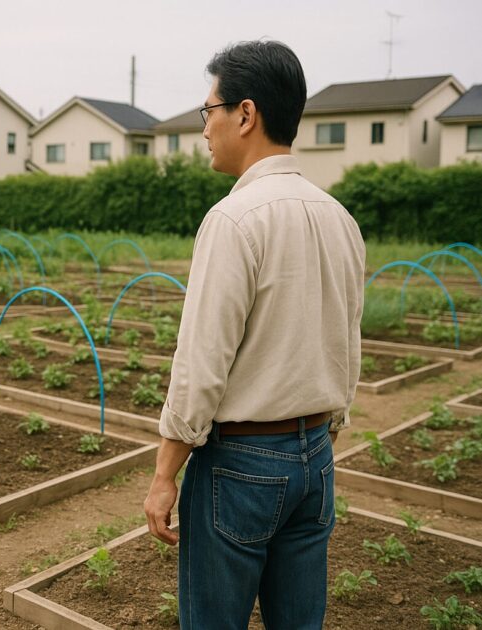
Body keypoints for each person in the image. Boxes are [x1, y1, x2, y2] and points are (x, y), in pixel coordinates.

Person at [143, 40, 366, 629]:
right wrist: (325, 433)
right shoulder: (339, 218)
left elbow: (200, 364)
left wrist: (165, 474)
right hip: (315, 455)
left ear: (245, 114)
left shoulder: (233, 219)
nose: (205, 127)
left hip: (241, 460)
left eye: (207, 111)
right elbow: (347, 344)